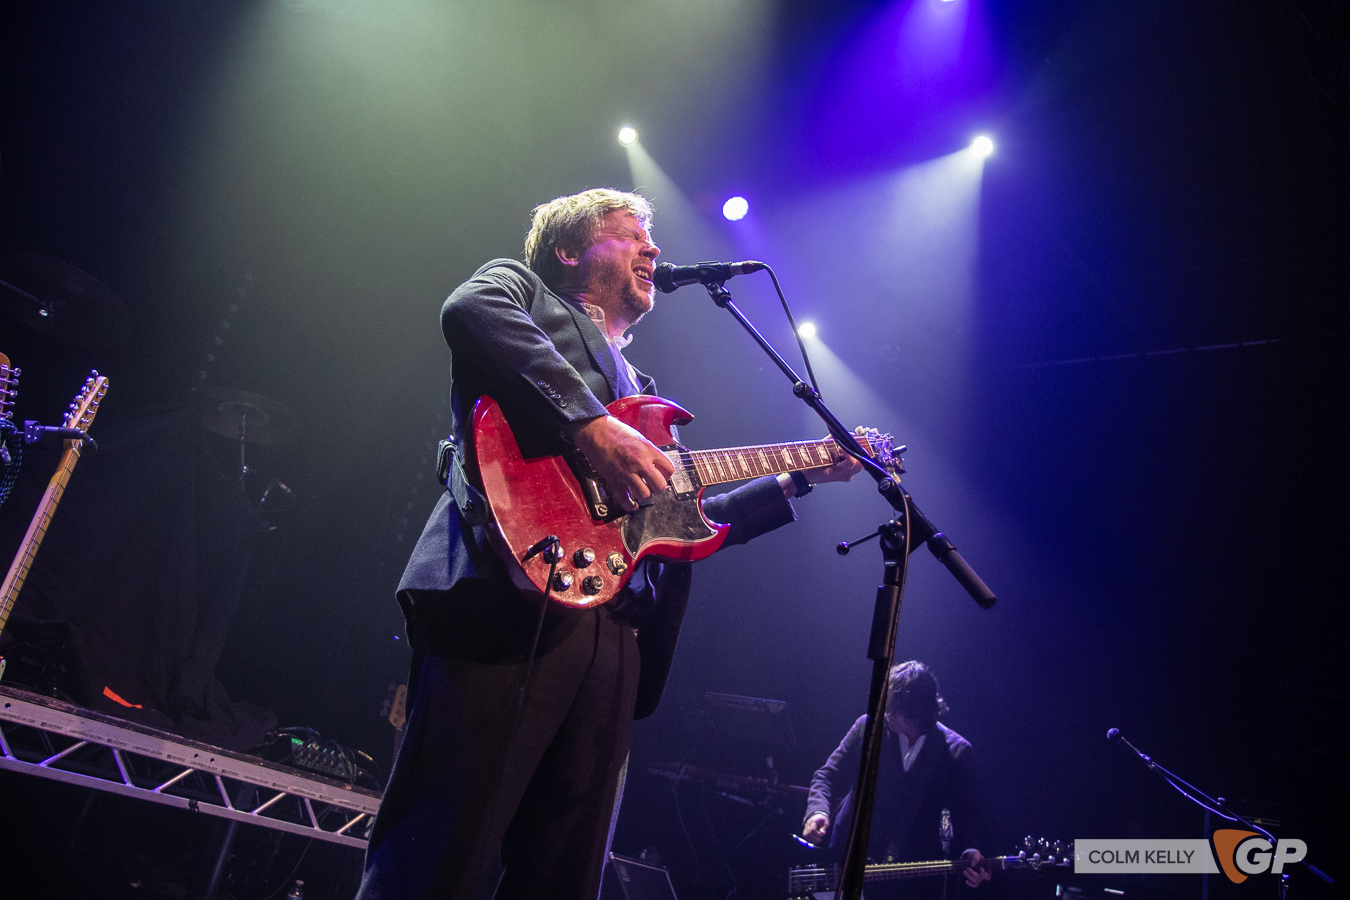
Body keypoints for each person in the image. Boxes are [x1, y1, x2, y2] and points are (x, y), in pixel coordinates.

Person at [357, 188, 860, 900]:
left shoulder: (647, 395)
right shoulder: (520, 291)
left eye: (651, 237)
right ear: (570, 252)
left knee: (565, 870)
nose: (654, 249)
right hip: (511, 592)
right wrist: (591, 423)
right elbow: (467, 311)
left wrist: (797, 477)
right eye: (631, 235)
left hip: (615, 628)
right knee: (442, 850)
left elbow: (677, 519)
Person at [802, 661, 990, 894]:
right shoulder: (868, 727)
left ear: (916, 713)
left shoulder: (956, 751)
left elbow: (966, 812)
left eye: (894, 708)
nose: (886, 712)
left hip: (907, 873)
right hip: (846, 856)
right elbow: (827, 775)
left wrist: (971, 847)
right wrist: (817, 811)